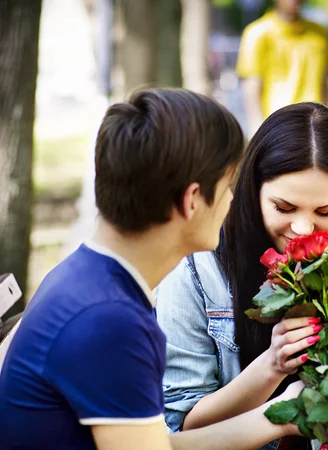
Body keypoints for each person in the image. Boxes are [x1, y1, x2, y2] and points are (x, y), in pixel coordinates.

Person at [0, 89, 304, 450]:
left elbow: (154, 444)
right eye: (228, 187)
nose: (234, 202)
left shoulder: (85, 278)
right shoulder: (110, 320)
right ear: (192, 200)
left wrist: (281, 416)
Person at [156, 102, 328, 450]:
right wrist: (273, 367)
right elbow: (181, 432)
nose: (303, 228)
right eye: (284, 208)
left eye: (324, 211)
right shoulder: (196, 272)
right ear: (250, 189)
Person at [236, 0, 328, 136]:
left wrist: (327, 122)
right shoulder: (257, 33)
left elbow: (325, 82)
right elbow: (251, 88)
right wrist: (257, 131)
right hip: (277, 128)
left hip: (314, 126)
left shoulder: (321, 33)